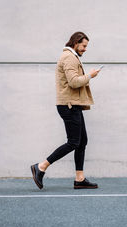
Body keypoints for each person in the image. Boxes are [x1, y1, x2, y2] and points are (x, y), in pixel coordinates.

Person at [31, 31, 100, 190]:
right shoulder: (69, 57)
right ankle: (41, 167)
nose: (85, 49)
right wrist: (90, 75)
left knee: (82, 141)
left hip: (72, 104)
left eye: (86, 46)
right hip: (69, 105)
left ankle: (79, 179)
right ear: (75, 43)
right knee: (74, 142)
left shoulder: (71, 56)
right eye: (83, 45)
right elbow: (74, 82)